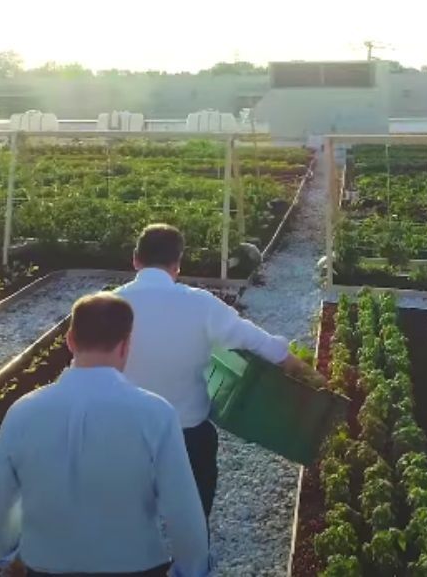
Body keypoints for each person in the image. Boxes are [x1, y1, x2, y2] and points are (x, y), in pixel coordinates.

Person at [0, 293, 210, 577]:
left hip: (44, 563)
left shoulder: (23, 411)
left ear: (70, 340)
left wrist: (3, 553)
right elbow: (182, 508)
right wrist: (192, 569)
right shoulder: (156, 413)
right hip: (135, 564)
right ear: (126, 345)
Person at [112, 223, 323, 524]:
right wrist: (300, 368)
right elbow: (255, 341)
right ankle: (193, 542)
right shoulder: (199, 303)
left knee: (127, 513)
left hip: (125, 434)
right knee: (194, 509)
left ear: (136, 259)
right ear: (177, 264)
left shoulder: (110, 305)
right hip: (186, 433)